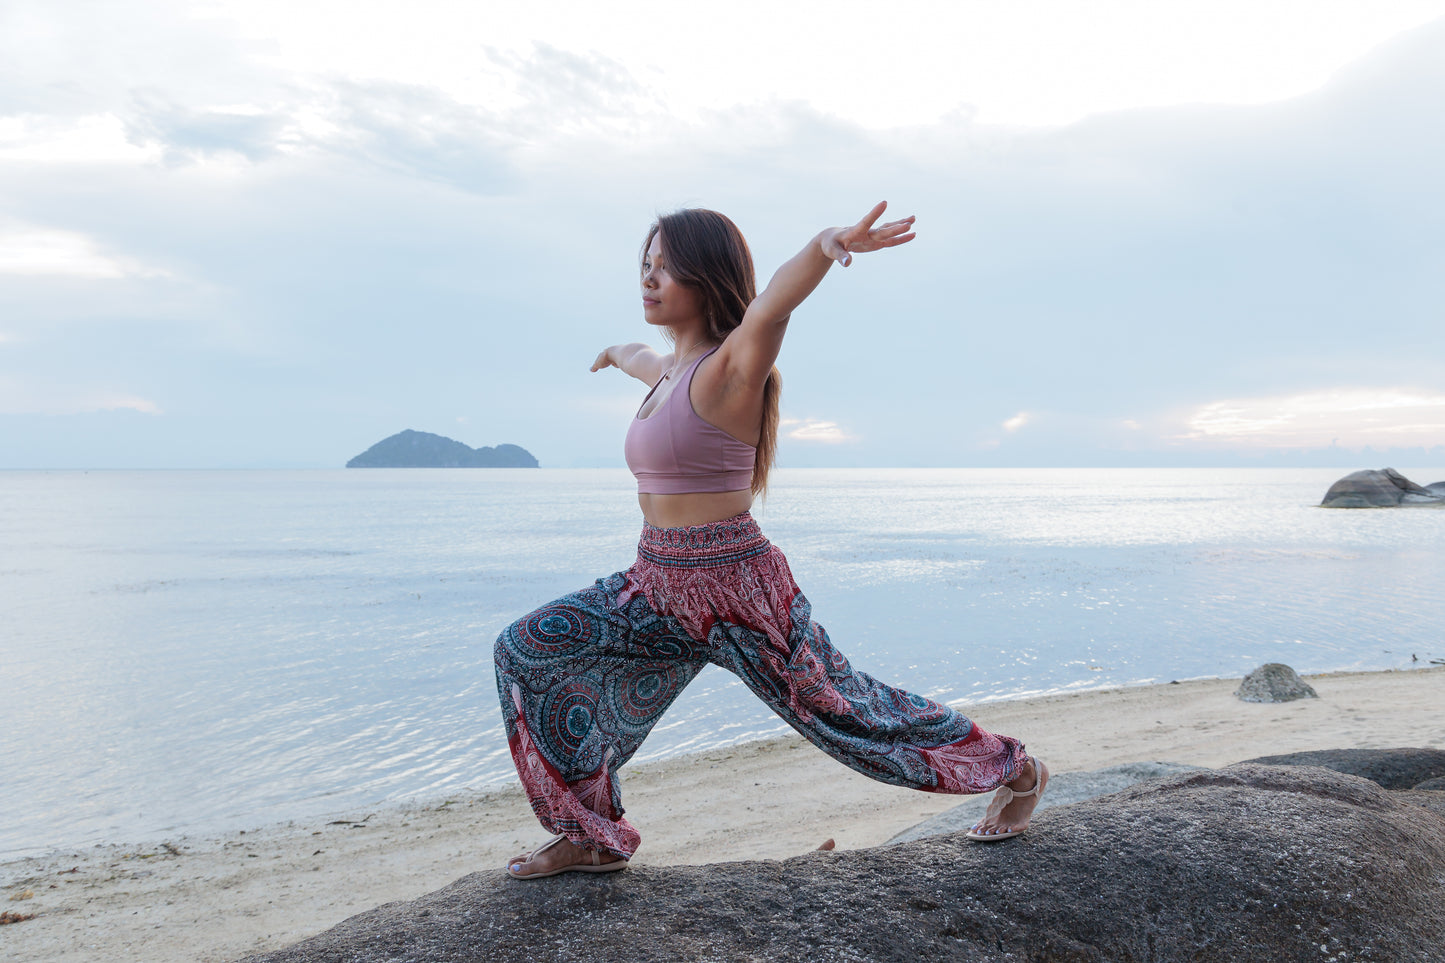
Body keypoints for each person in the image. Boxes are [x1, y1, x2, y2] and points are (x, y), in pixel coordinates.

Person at [494, 202, 1046, 879]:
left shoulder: (734, 366)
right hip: (652, 585)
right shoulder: (667, 372)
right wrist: (613, 352)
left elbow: (772, 307)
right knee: (528, 649)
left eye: (666, 267)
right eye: (644, 265)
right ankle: (589, 833)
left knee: (853, 718)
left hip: (739, 589)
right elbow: (642, 356)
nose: (648, 278)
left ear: (706, 277)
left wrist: (825, 244)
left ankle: (1015, 768)